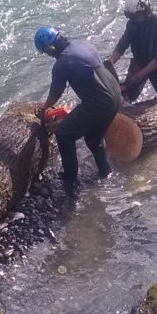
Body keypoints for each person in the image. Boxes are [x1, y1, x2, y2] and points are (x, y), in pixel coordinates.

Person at [34, 25, 122, 198]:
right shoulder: (82, 44)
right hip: (115, 95)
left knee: (64, 135)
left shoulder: (62, 63)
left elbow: (55, 93)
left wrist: (44, 109)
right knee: (93, 138)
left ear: (51, 48)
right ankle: (106, 172)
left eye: (46, 51)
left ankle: (70, 179)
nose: (49, 55)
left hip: (99, 103)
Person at [108, 0, 157, 101]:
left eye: (136, 17)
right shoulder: (132, 24)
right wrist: (109, 64)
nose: (134, 20)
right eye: (131, 17)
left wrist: (139, 76)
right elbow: (122, 45)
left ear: (146, 11)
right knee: (125, 95)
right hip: (140, 61)